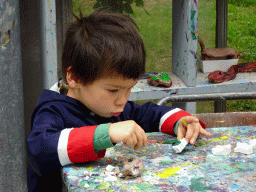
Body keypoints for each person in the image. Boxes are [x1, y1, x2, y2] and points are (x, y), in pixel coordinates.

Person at [26, 8, 212, 191]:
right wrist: (105, 134)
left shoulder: (110, 107)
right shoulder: (53, 109)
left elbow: (150, 113)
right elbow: (39, 150)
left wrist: (180, 121)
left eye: (129, 88)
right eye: (113, 89)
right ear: (74, 78)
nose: (122, 100)